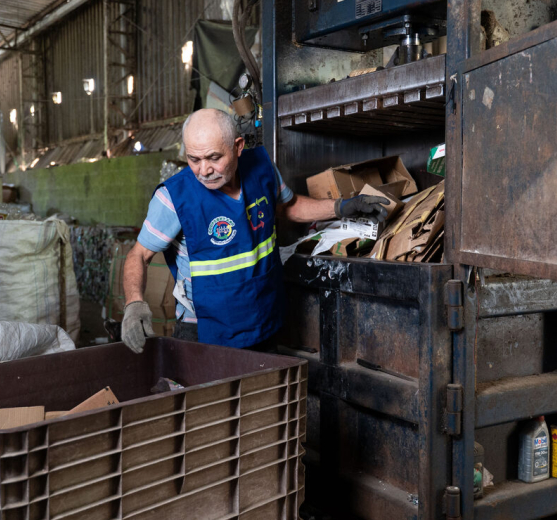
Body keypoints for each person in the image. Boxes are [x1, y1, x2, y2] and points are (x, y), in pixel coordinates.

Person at [121, 108, 387, 352]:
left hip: (263, 317)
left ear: (238, 147)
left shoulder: (261, 169)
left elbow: (288, 206)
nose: (204, 170)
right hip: (204, 330)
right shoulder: (173, 198)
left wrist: (341, 207)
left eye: (214, 157)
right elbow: (138, 255)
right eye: (194, 159)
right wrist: (134, 303)